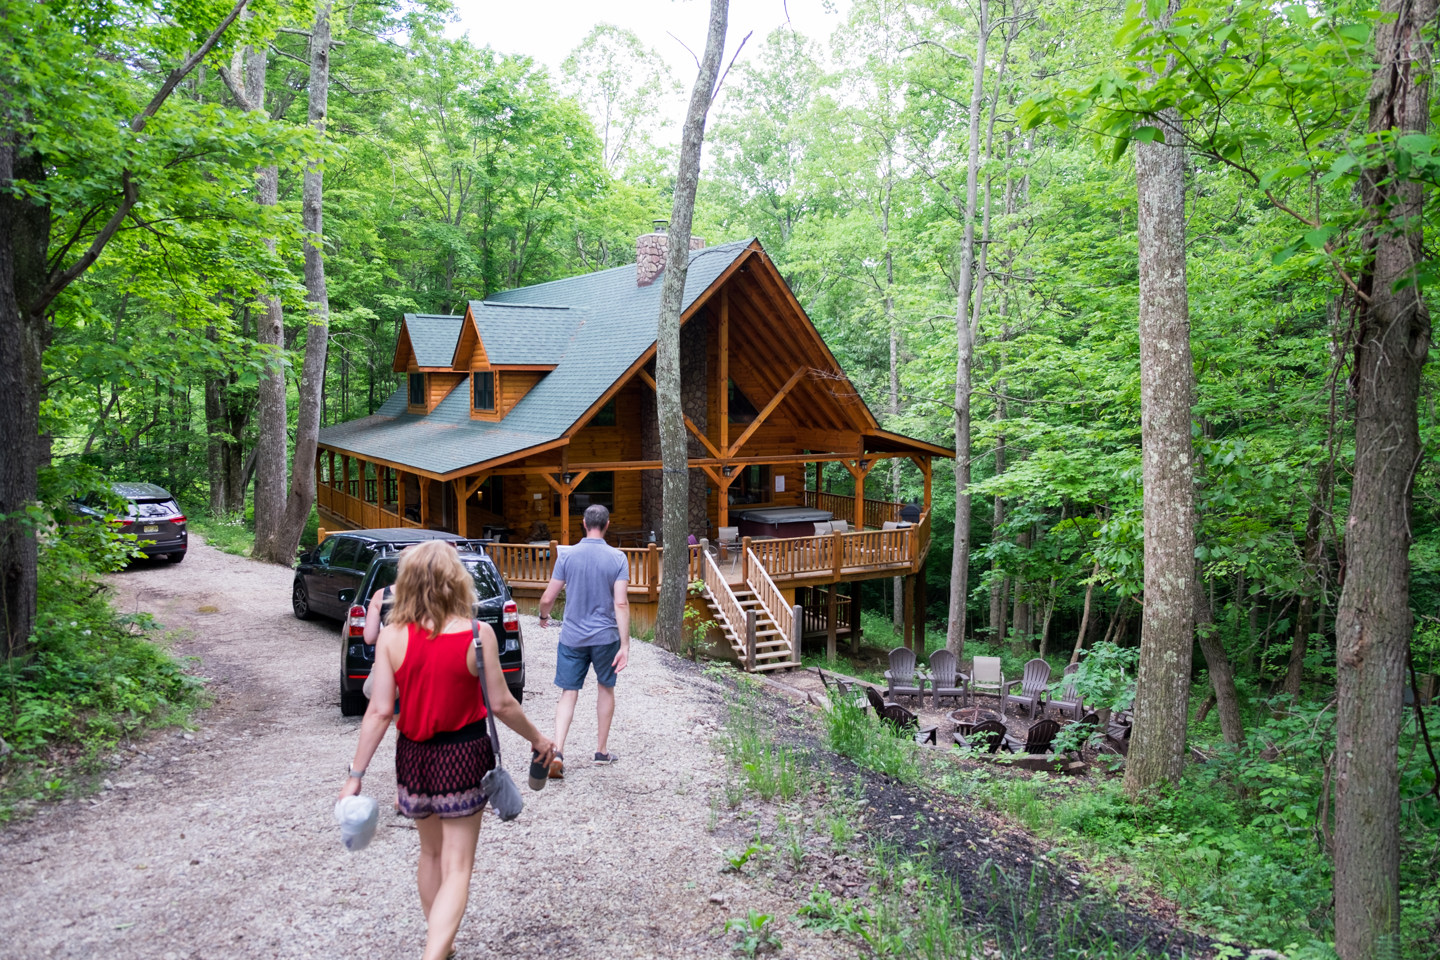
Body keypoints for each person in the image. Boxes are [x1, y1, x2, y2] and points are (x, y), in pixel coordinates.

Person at [341, 540, 555, 960]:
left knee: (430, 853)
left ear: (407, 584)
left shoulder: (390, 636)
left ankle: (443, 942)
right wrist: (537, 738)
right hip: (463, 755)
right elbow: (502, 704)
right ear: (456, 581)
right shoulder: (478, 635)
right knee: (457, 864)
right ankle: (433, 953)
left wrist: (356, 776)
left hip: (413, 756)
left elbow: (380, 711)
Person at [536, 504, 629, 778]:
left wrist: (544, 616)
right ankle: (601, 752)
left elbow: (547, 598)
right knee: (605, 688)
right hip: (605, 638)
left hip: (572, 637)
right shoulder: (618, 558)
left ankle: (558, 751)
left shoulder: (567, 555)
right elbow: (621, 603)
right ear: (607, 524)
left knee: (568, 692)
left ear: (584, 524)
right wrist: (625, 645)